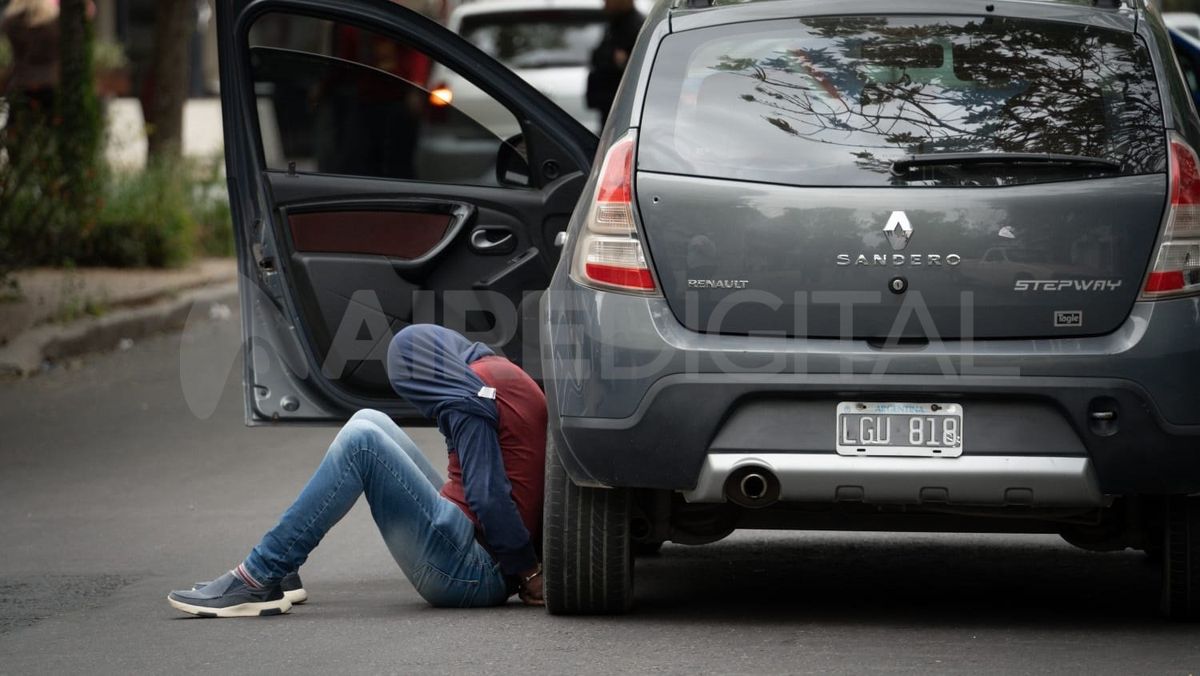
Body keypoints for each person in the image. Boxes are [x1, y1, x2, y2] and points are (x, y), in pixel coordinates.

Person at [167, 325, 548, 616]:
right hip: (476, 544)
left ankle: (258, 576)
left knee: (361, 440)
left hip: (474, 572)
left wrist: (528, 573)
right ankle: (282, 569)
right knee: (369, 418)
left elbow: (488, 495)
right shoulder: (497, 374)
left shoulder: (468, 400)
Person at [1, 0, 60, 134]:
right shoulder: (55, 19)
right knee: (50, 136)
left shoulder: (12, 20)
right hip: (50, 83)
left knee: (17, 137)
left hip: (21, 82)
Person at [585, 0, 644, 128]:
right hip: (609, 104)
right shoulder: (615, 24)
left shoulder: (634, 26)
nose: (605, 4)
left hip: (622, 106)